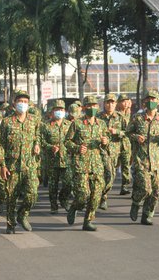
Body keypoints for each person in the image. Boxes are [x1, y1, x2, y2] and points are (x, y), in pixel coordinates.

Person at [0, 90, 41, 234]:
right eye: (20, 101)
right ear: (14, 104)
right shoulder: (6, 122)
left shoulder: (34, 120)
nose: (22, 104)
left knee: (33, 193)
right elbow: (0, 145)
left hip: (29, 165)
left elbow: (38, 135)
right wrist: (2, 166)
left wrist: (37, 144)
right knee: (11, 197)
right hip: (12, 165)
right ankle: (10, 224)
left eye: (25, 102)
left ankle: (22, 214)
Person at [65, 95, 108, 231]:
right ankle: (74, 207)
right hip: (81, 164)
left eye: (94, 105)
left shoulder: (101, 124)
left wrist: (105, 142)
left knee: (96, 195)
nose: (92, 108)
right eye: (89, 106)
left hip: (97, 164)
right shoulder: (77, 123)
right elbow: (67, 142)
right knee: (83, 194)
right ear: (84, 108)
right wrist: (77, 148)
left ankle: (88, 220)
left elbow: (106, 140)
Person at [126, 89, 159, 225]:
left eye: (154, 99)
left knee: (155, 191)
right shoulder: (137, 118)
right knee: (146, 188)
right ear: (145, 101)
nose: (151, 101)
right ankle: (136, 202)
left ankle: (147, 214)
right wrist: (136, 137)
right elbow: (128, 132)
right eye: (149, 99)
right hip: (141, 159)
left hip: (156, 160)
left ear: (158, 101)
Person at [40, 99, 72, 214]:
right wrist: (50, 147)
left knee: (69, 183)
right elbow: (41, 142)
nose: (59, 111)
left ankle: (64, 199)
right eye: (57, 109)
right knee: (53, 185)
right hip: (52, 160)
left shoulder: (70, 125)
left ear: (65, 111)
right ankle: (54, 205)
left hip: (67, 159)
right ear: (52, 112)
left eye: (61, 109)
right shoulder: (46, 126)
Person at [97, 93, 124, 210]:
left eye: (112, 102)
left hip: (114, 151)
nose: (110, 105)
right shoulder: (98, 117)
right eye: (108, 102)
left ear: (115, 104)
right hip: (99, 151)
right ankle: (100, 197)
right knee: (101, 175)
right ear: (104, 104)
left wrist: (117, 132)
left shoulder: (120, 117)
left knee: (110, 176)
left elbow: (127, 132)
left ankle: (102, 194)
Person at [116, 94, 132, 195]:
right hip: (115, 144)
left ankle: (124, 186)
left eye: (127, 101)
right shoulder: (115, 115)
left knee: (126, 166)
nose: (125, 103)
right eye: (123, 101)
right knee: (113, 166)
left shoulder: (130, 115)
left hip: (127, 144)